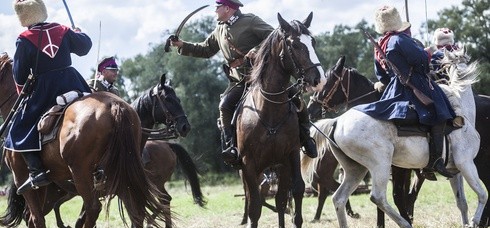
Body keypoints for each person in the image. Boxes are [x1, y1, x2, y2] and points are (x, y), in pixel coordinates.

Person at [169, 0, 318, 166]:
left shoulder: (250, 20)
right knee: (224, 106)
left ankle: (306, 138)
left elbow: (276, 37)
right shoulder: (220, 29)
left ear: (227, 8)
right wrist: (182, 45)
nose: (215, 11)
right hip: (239, 79)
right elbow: (206, 50)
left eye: (217, 7)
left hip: (264, 77)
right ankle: (231, 147)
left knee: (296, 99)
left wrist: (257, 49)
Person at [355, 6, 456, 178]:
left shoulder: (380, 44)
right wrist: (431, 50)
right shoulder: (400, 39)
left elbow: (382, 76)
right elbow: (422, 60)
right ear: (396, 21)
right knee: (440, 111)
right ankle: (436, 161)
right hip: (414, 85)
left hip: (393, 89)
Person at [5, 0, 92, 194]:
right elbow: (84, 48)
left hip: (45, 89)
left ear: (23, 17)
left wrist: (23, 93)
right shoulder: (62, 29)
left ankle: (36, 171)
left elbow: (19, 75)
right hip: (72, 81)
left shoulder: (24, 38)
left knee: (19, 126)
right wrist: (79, 33)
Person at [426, 28, 464, 128]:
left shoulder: (437, 54)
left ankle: (458, 116)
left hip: (447, 85)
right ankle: (457, 116)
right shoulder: (459, 51)